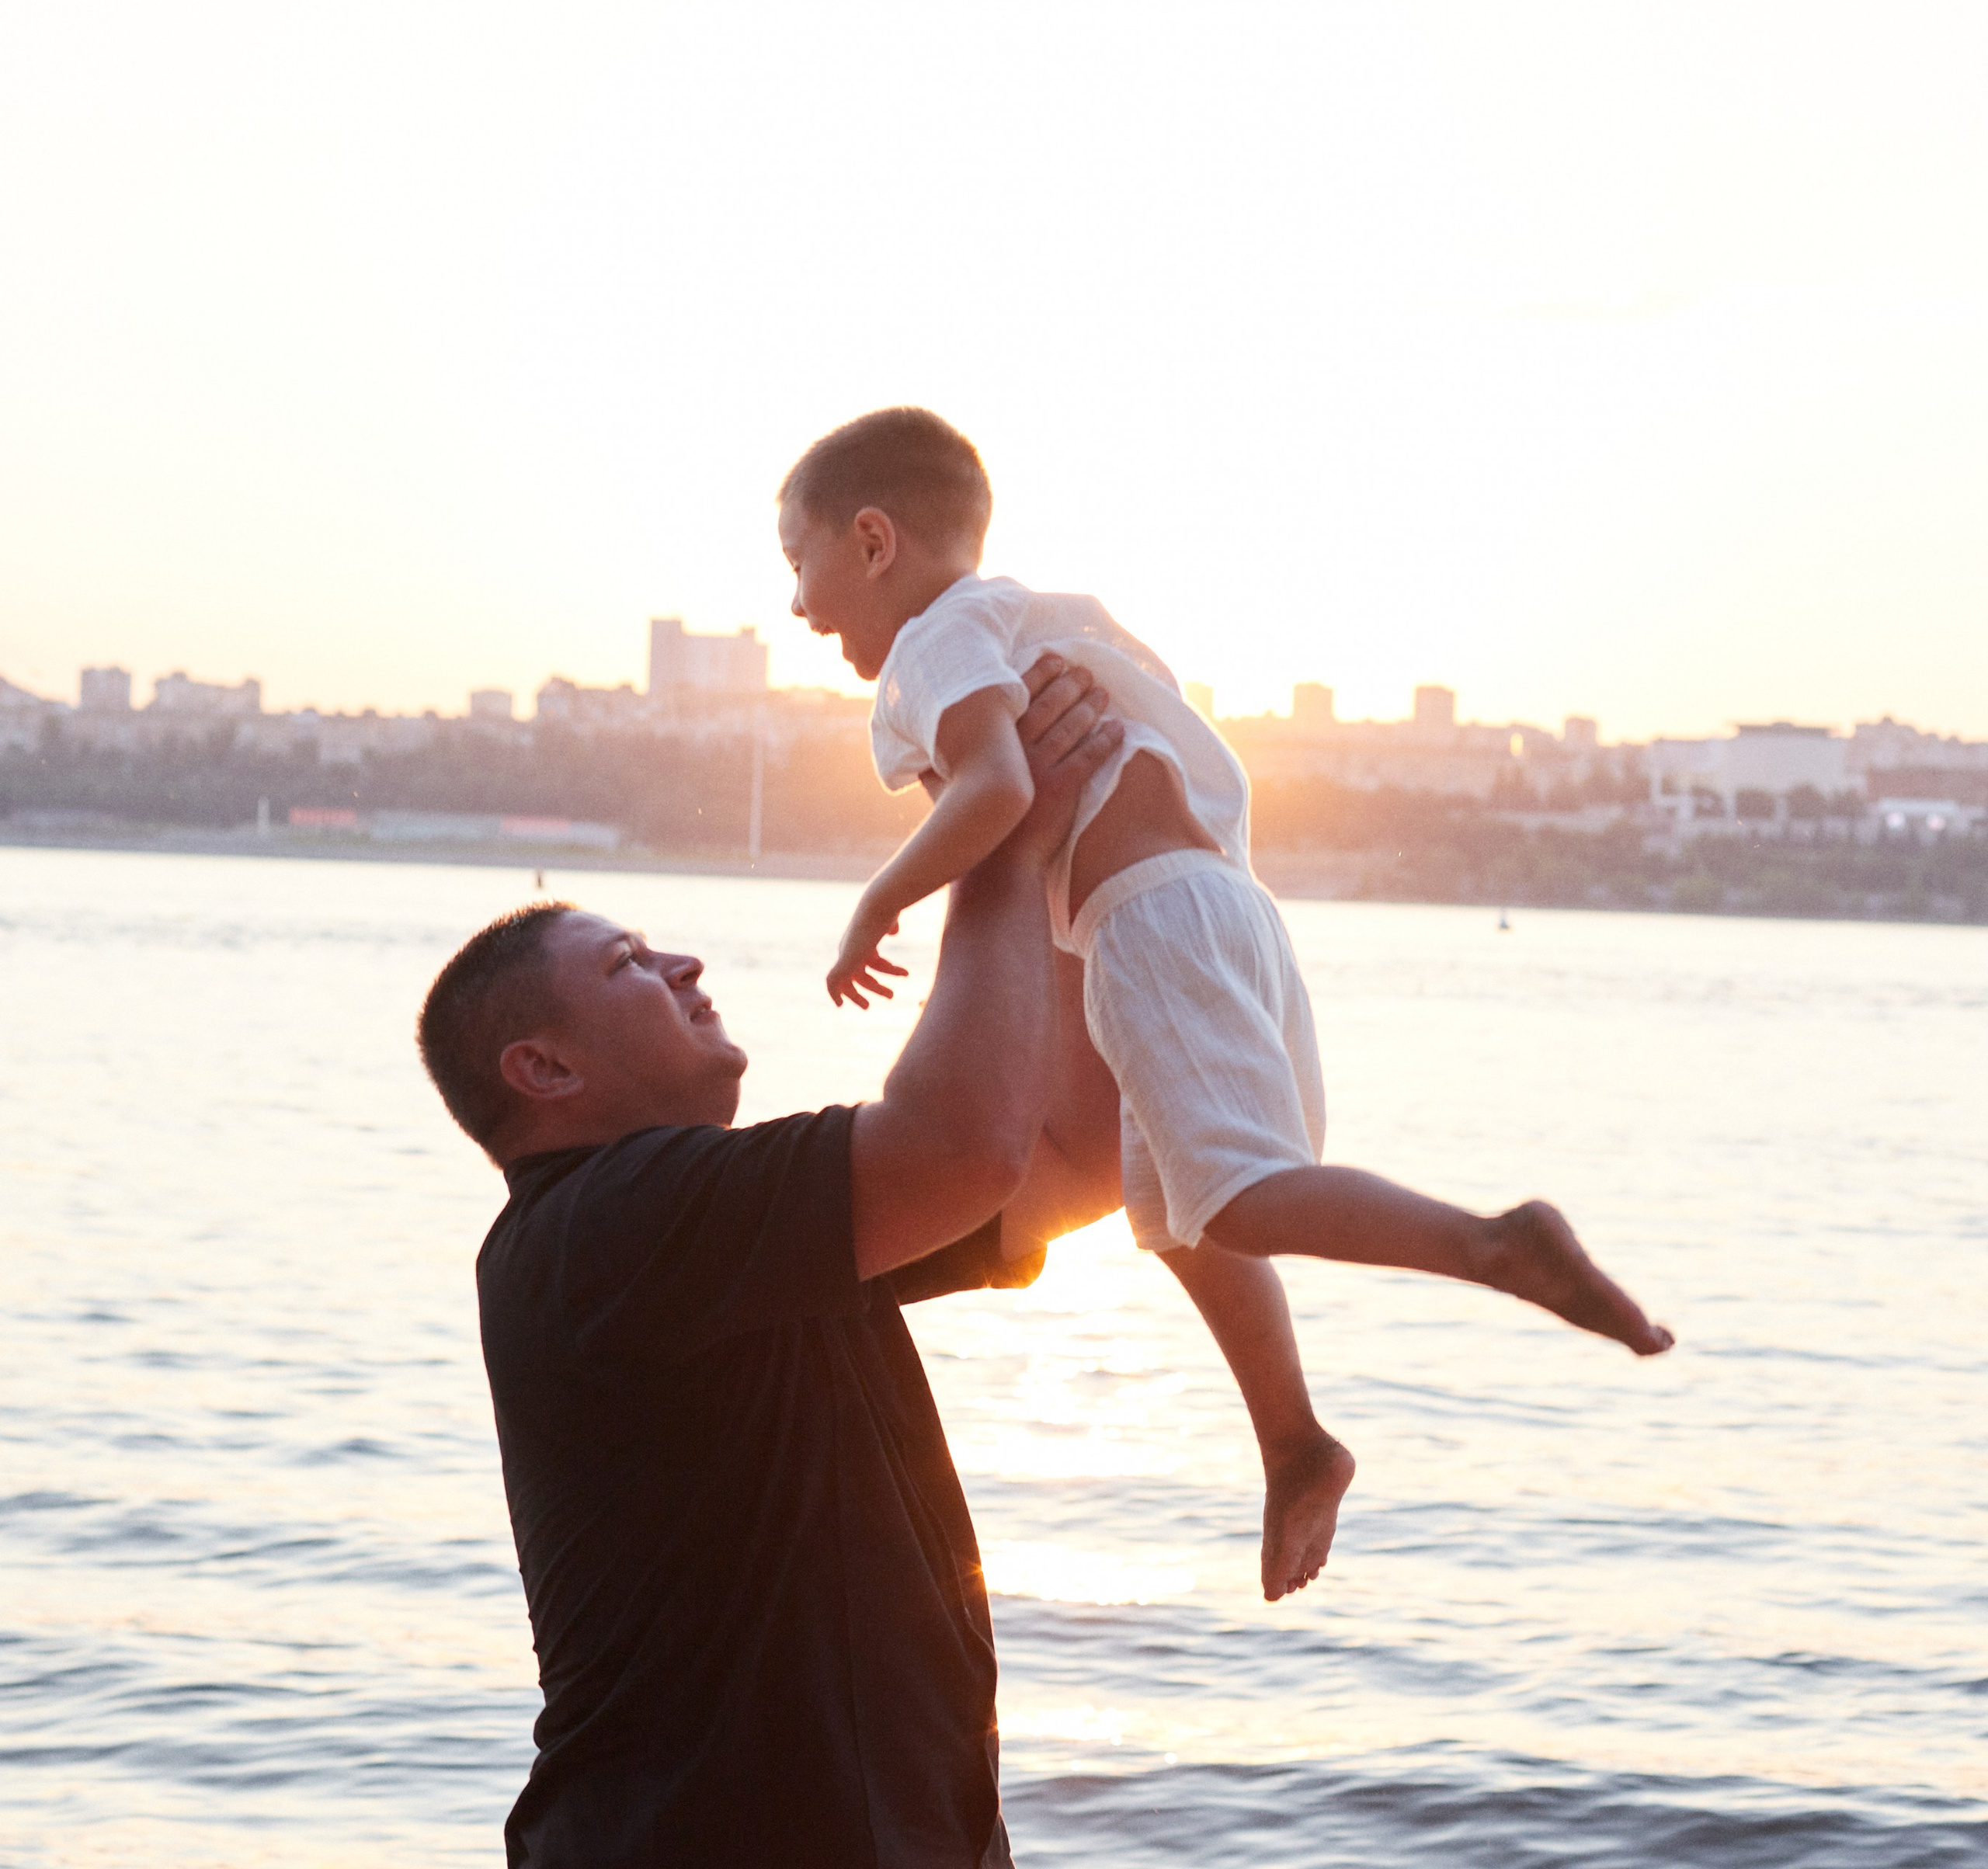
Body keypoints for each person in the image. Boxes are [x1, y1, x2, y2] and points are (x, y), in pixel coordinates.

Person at [778, 405, 1675, 1596]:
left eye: (801, 563)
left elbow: (996, 787)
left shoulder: (936, 646)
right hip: (1225, 910)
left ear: (875, 540)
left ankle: (1491, 1246)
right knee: (1183, 1208)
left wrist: (877, 902)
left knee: (1242, 1198)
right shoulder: (1056, 619)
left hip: (1146, 922)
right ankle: (1295, 1440)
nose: (798, 604)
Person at [417, 657, 1128, 1869]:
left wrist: (1065, 872)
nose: (685, 966)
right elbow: (964, 1146)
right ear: (543, 1071)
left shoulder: (726, 1233)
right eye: (628, 963)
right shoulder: (601, 1231)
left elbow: (1073, 1153)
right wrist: (997, 833)